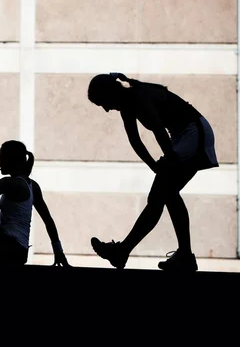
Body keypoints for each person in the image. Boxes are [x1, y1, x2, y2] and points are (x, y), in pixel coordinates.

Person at [87, 72, 218, 272]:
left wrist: (169, 159)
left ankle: (123, 251)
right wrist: (154, 165)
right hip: (183, 136)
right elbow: (135, 141)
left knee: (159, 194)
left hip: (193, 132)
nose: (105, 109)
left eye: (103, 102)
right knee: (168, 194)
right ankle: (184, 256)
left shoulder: (137, 96)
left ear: (111, 92)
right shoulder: (127, 105)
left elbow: (158, 129)